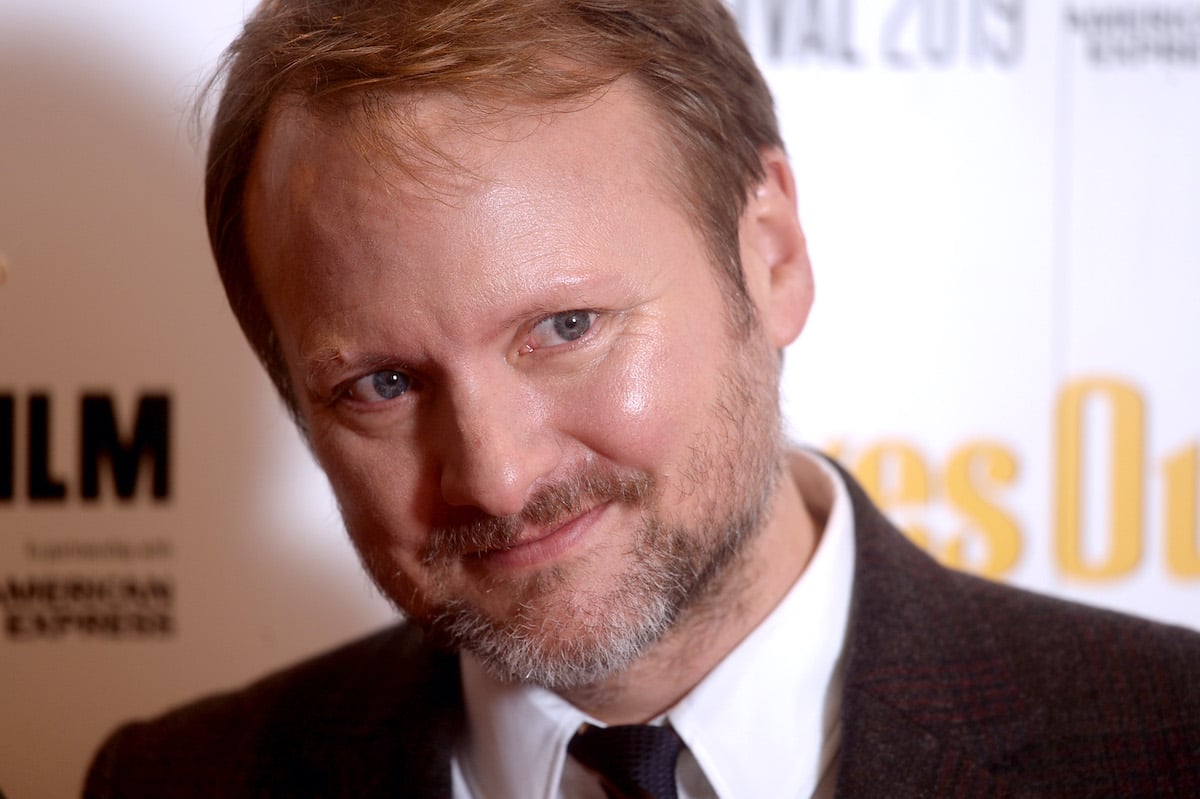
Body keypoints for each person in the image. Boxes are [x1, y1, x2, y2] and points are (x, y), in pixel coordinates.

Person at [86, 1, 1200, 797]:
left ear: (771, 255)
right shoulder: (175, 780)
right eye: (382, 385)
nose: (497, 476)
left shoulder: (1168, 741)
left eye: (567, 327)